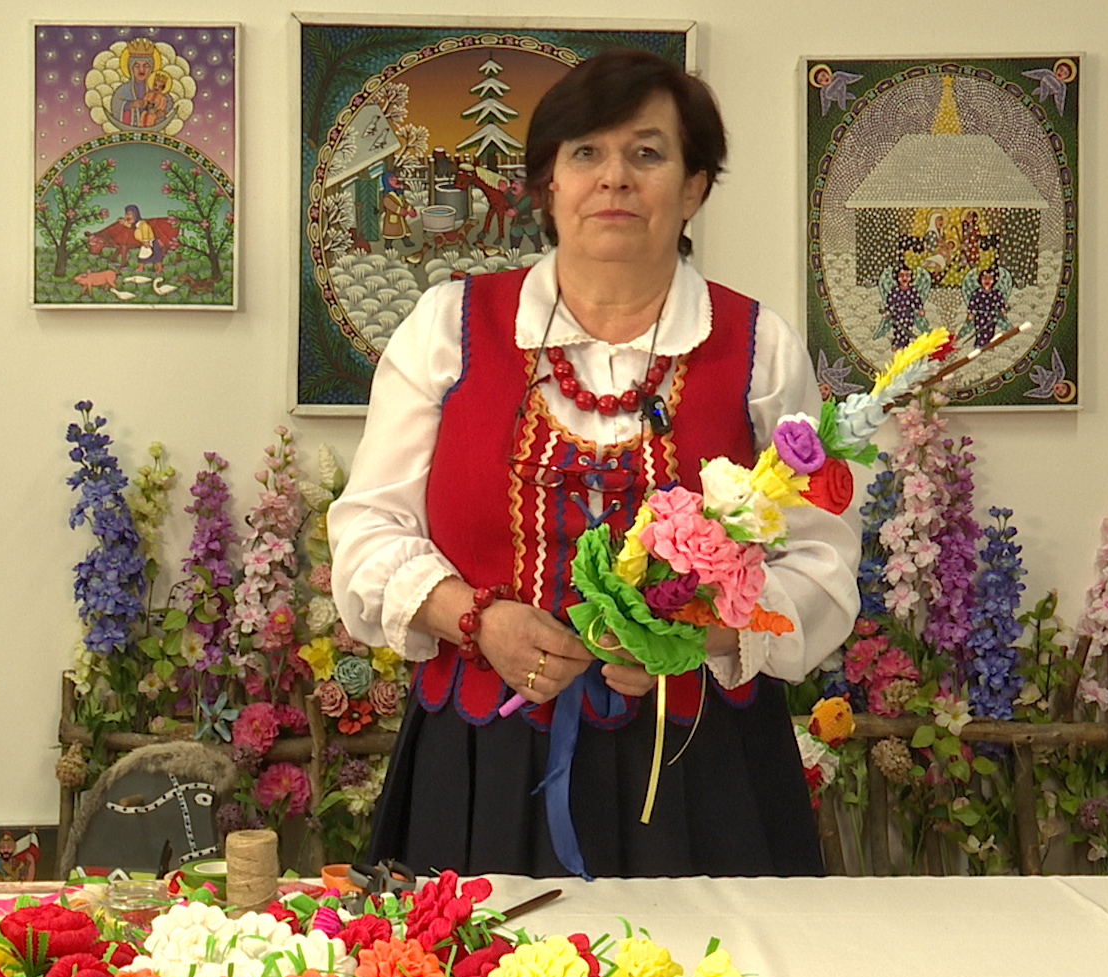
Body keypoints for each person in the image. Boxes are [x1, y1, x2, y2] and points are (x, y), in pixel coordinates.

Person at [329, 49, 860, 879]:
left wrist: (699, 633)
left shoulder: (759, 347)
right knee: (479, 962)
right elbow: (368, 530)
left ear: (693, 187)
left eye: (647, 153)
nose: (615, 178)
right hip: (484, 763)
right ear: (549, 185)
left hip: (703, 768)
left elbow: (821, 563)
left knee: (716, 963)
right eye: (586, 153)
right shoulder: (447, 327)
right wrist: (476, 620)